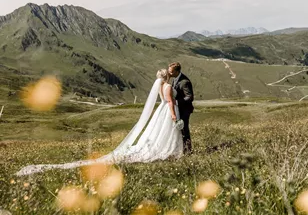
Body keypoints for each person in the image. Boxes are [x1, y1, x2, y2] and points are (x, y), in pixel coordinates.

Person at [16, 69, 183, 176]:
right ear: (167, 76)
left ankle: (166, 149)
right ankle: (168, 150)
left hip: (160, 112)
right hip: (167, 112)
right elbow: (169, 102)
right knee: (165, 132)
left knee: (157, 133)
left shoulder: (161, 86)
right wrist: (174, 116)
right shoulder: (167, 87)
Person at [168, 62, 194, 154]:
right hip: (178, 109)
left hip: (185, 110)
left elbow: (189, 97)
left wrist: (177, 102)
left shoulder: (184, 82)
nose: (169, 73)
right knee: (179, 130)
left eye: (171, 72)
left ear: (177, 71)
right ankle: (181, 149)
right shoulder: (175, 79)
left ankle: (188, 151)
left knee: (184, 129)